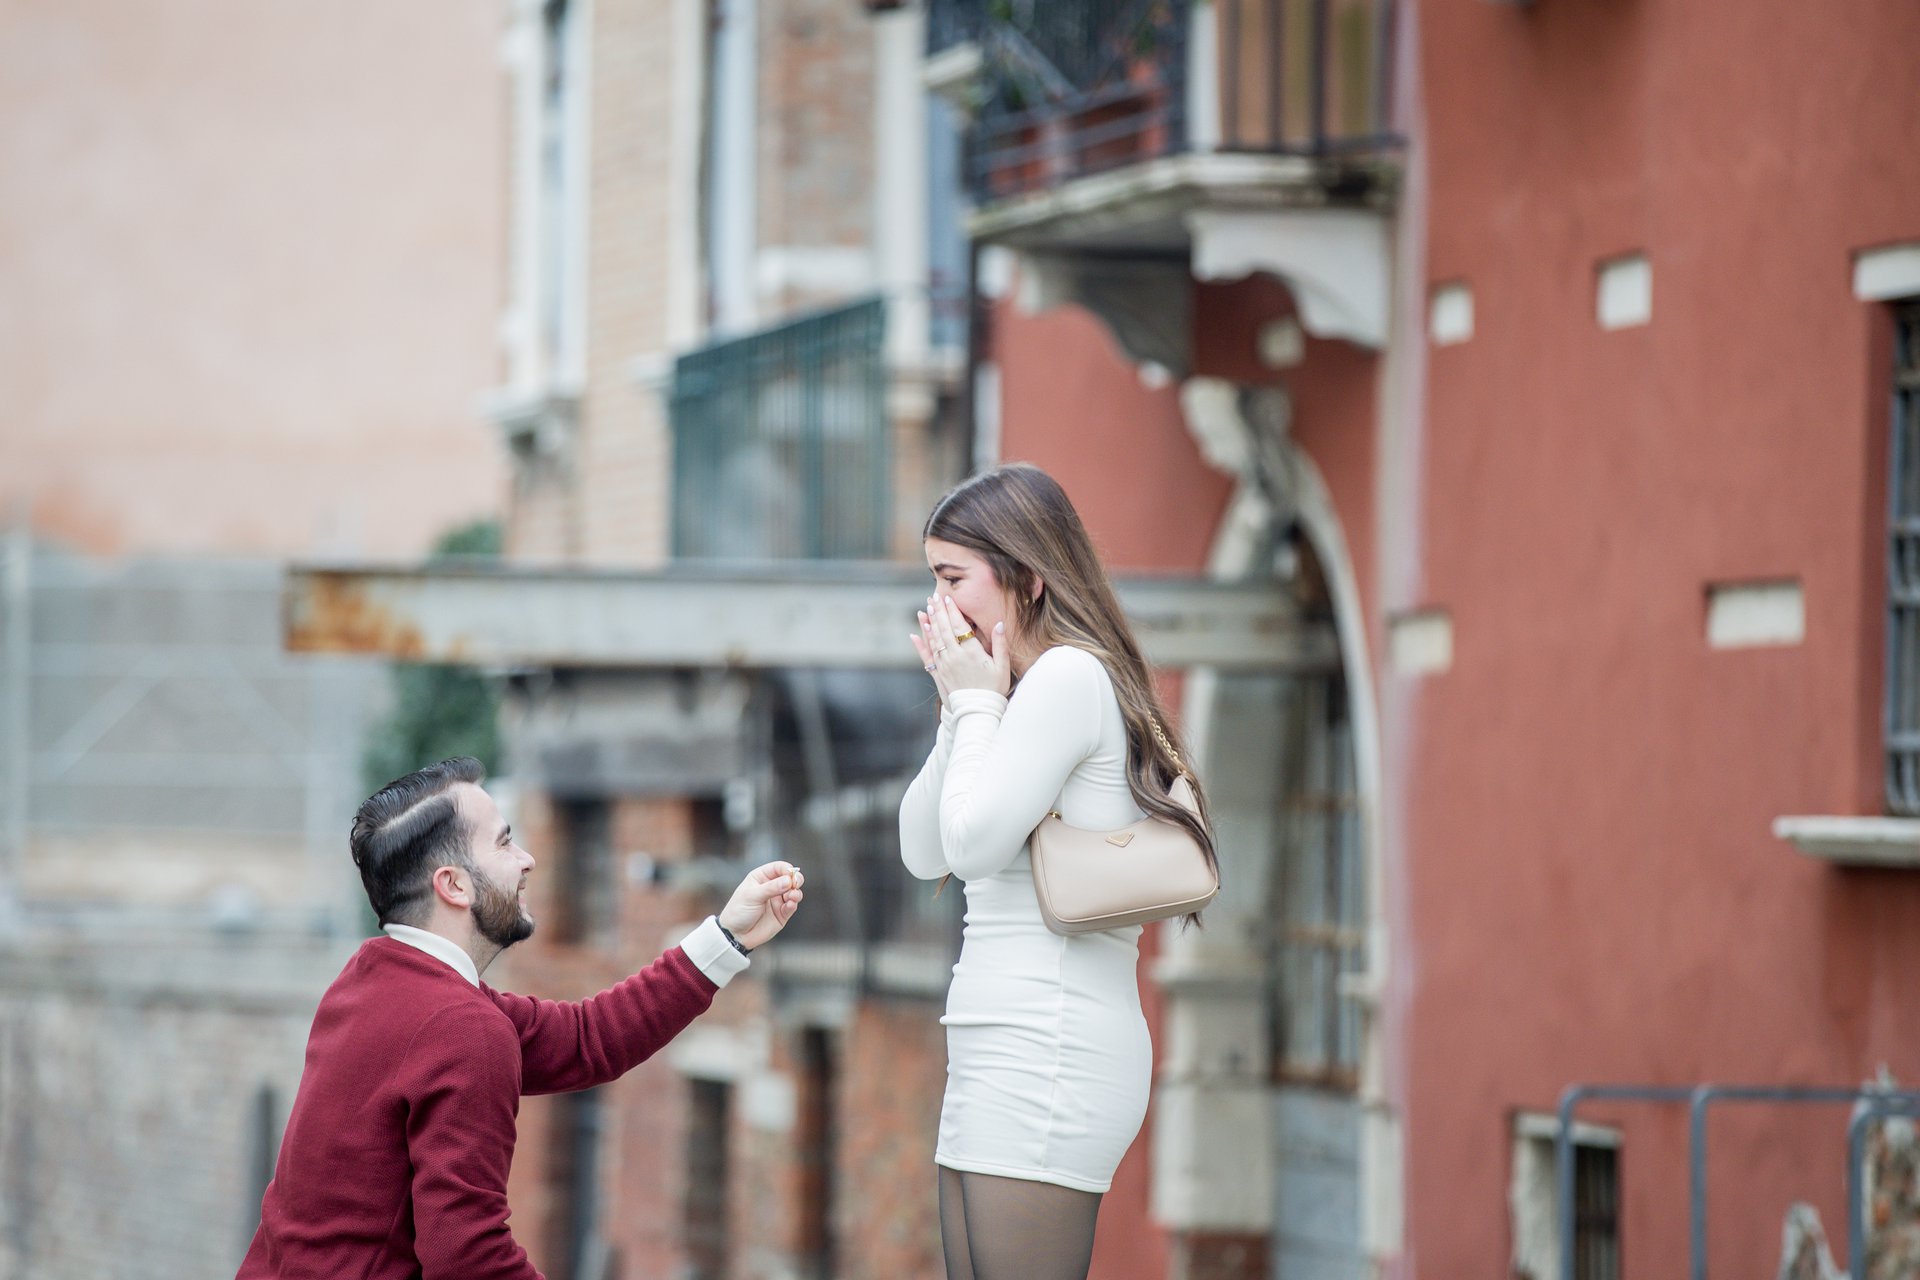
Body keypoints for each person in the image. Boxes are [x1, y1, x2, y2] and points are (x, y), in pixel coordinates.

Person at [237, 756, 804, 1279]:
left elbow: (587, 1039)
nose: (527, 859)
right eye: (504, 842)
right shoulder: (460, 1027)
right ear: (454, 885)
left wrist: (726, 937)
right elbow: (470, 1259)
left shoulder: (371, 978)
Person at [898, 464, 1218, 1280]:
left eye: (952, 579)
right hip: (996, 1041)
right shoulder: (1010, 693)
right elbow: (924, 850)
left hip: (1049, 1046)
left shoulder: (1070, 679)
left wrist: (976, 705)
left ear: (1028, 577)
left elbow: (972, 847)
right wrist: (964, 707)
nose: (938, 606)